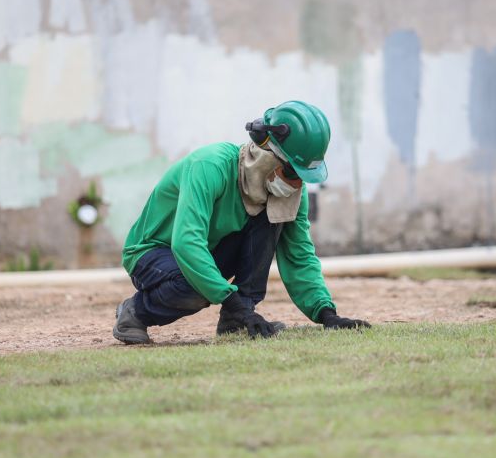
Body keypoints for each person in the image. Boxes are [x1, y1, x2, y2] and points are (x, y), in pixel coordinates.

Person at [113, 100, 370, 344]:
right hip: (153, 252)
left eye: (302, 175)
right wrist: (230, 299)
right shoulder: (209, 166)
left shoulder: (290, 192)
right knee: (194, 289)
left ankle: (235, 320)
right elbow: (187, 243)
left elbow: (299, 255)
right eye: (292, 170)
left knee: (272, 216)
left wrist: (326, 314)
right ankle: (135, 312)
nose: (295, 183)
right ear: (267, 153)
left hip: (206, 252)